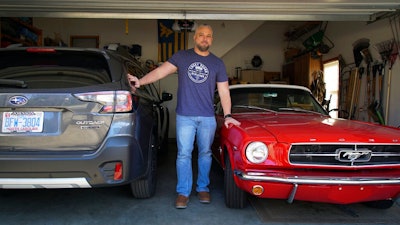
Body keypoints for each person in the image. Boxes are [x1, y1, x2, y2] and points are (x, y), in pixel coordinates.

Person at [128, 24, 240, 209]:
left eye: (209, 36)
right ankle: (183, 192)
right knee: (183, 155)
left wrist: (227, 115)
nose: (205, 38)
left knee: (205, 154)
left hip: (207, 117)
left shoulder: (217, 63)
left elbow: (224, 92)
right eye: (201, 35)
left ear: (212, 39)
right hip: (185, 116)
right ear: (195, 37)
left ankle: (203, 188)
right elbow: (160, 72)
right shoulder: (182, 57)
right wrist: (140, 82)